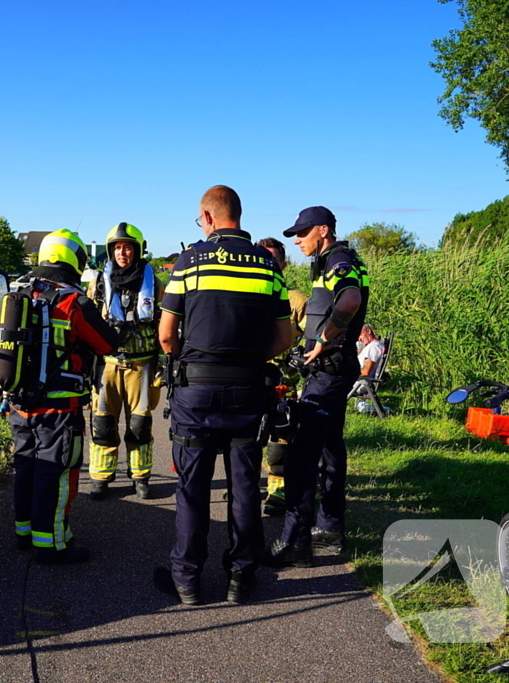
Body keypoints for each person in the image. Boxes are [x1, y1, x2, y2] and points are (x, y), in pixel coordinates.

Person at [156, 185, 293, 605]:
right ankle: (240, 579)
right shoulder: (267, 266)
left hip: (195, 392)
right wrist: (250, 360)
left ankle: (187, 582)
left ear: (208, 216)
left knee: (193, 491)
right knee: (245, 489)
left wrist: (189, 362)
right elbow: (285, 337)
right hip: (249, 393)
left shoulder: (189, 260)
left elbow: (165, 336)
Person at [263, 206, 369, 567]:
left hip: (328, 372)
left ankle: (296, 542)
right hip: (334, 370)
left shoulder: (338, 259)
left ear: (322, 230)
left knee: (300, 456)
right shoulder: (334, 260)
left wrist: (323, 338)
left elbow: (350, 301)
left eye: (302, 233)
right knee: (330, 449)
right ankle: (330, 529)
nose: (296, 240)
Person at [9, 229, 120, 565]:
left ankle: (24, 533)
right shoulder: (74, 300)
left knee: (26, 466)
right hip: (58, 407)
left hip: (19, 402)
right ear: (75, 259)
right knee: (55, 473)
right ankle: (52, 544)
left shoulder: (21, 289)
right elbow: (108, 344)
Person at [87, 222, 163, 501]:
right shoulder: (97, 283)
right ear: (110, 252)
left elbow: (164, 323)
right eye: (117, 248)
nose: (122, 253)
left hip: (142, 364)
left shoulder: (155, 283)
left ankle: (140, 477)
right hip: (106, 364)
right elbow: (88, 321)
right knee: (103, 424)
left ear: (138, 250)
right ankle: (101, 479)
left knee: (140, 425)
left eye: (128, 248)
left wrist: (164, 362)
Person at [255, 236, 308, 515]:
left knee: (279, 439)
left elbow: (313, 334)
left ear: (283, 265)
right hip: (250, 376)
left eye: (273, 260)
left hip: (281, 380)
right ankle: (246, 485)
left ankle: (277, 493)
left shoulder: (296, 300)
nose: (268, 265)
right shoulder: (246, 294)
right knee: (247, 435)